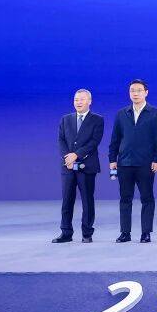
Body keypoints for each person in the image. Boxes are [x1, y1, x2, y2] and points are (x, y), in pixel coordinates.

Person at [107, 78, 157, 243]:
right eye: (132, 90)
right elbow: (115, 139)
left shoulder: (155, 113)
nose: (135, 93)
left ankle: (146, 233)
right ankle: (125, 233)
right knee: (125, 199)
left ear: (146, 92)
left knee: (147, 198)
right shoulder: (122, 114)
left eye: (139, 90)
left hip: (146, 164)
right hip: (124, 163)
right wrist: (112, 159)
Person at [53, 89, 104, 243]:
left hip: (87, 166)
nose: (78, 102)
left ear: (90, 101)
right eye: (76, 100)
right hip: (68, 166)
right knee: (67, 200)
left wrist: (76, 155)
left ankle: (87, 233)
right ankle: (66, 233)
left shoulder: (97, 120)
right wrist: (67, 157)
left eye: (82, 99)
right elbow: (61, 140)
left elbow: (94, 142)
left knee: (87, 201)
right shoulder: (65, 119)